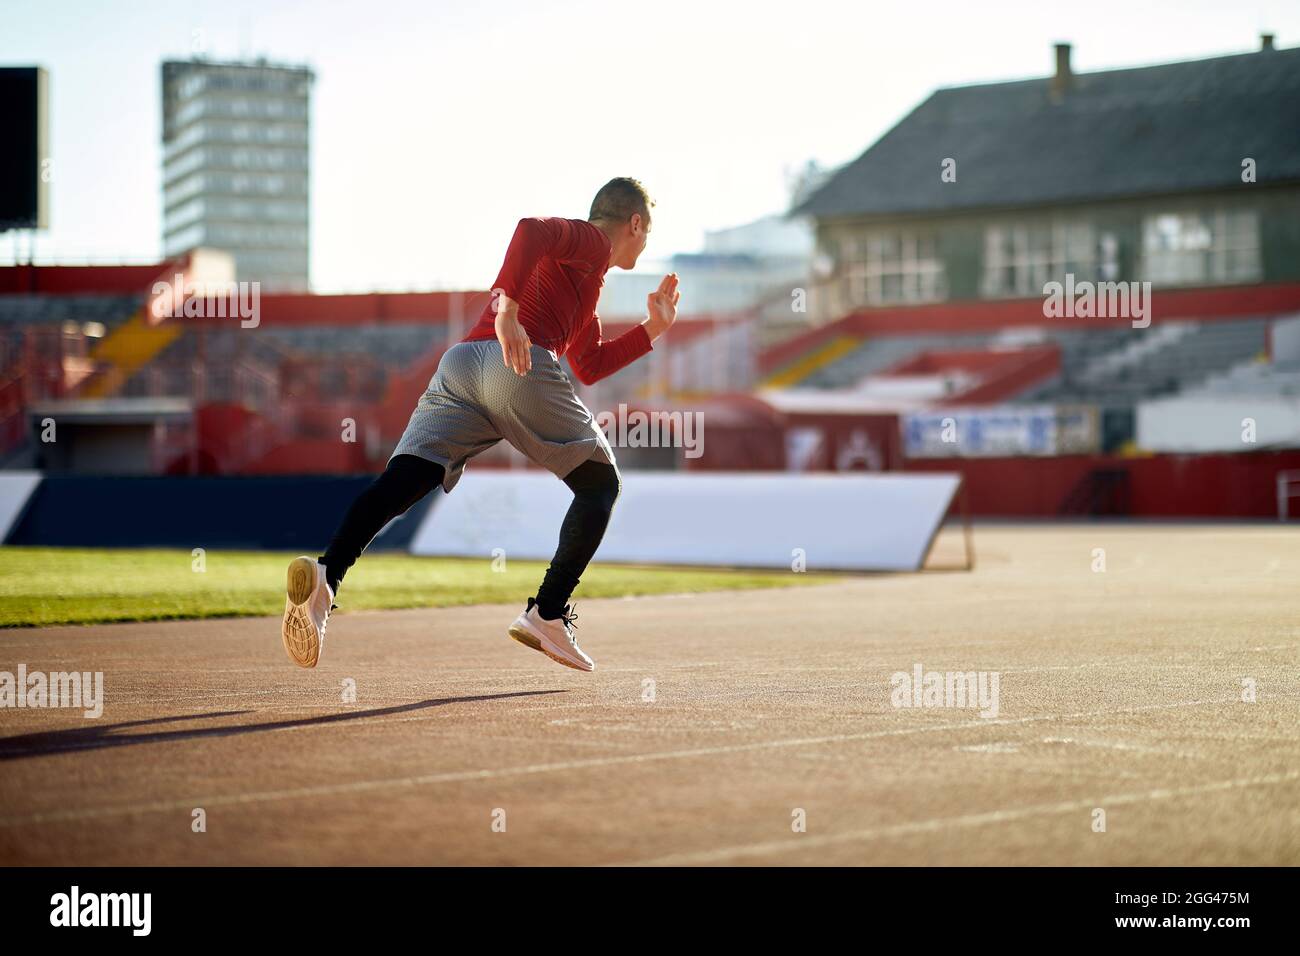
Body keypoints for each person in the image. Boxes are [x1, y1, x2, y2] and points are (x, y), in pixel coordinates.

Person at [281, 177, 679, 672]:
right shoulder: (591, 240)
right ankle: (548, 613)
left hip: (462, 366)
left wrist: (652, 330)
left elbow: (591, 364)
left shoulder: (586, 287)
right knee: (601, 484)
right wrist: (508, 312)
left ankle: (326, 575)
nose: (646, 244)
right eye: (648, 233)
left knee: (409, 477)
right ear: (634, 223)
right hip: (514, 363)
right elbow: (529, 229)